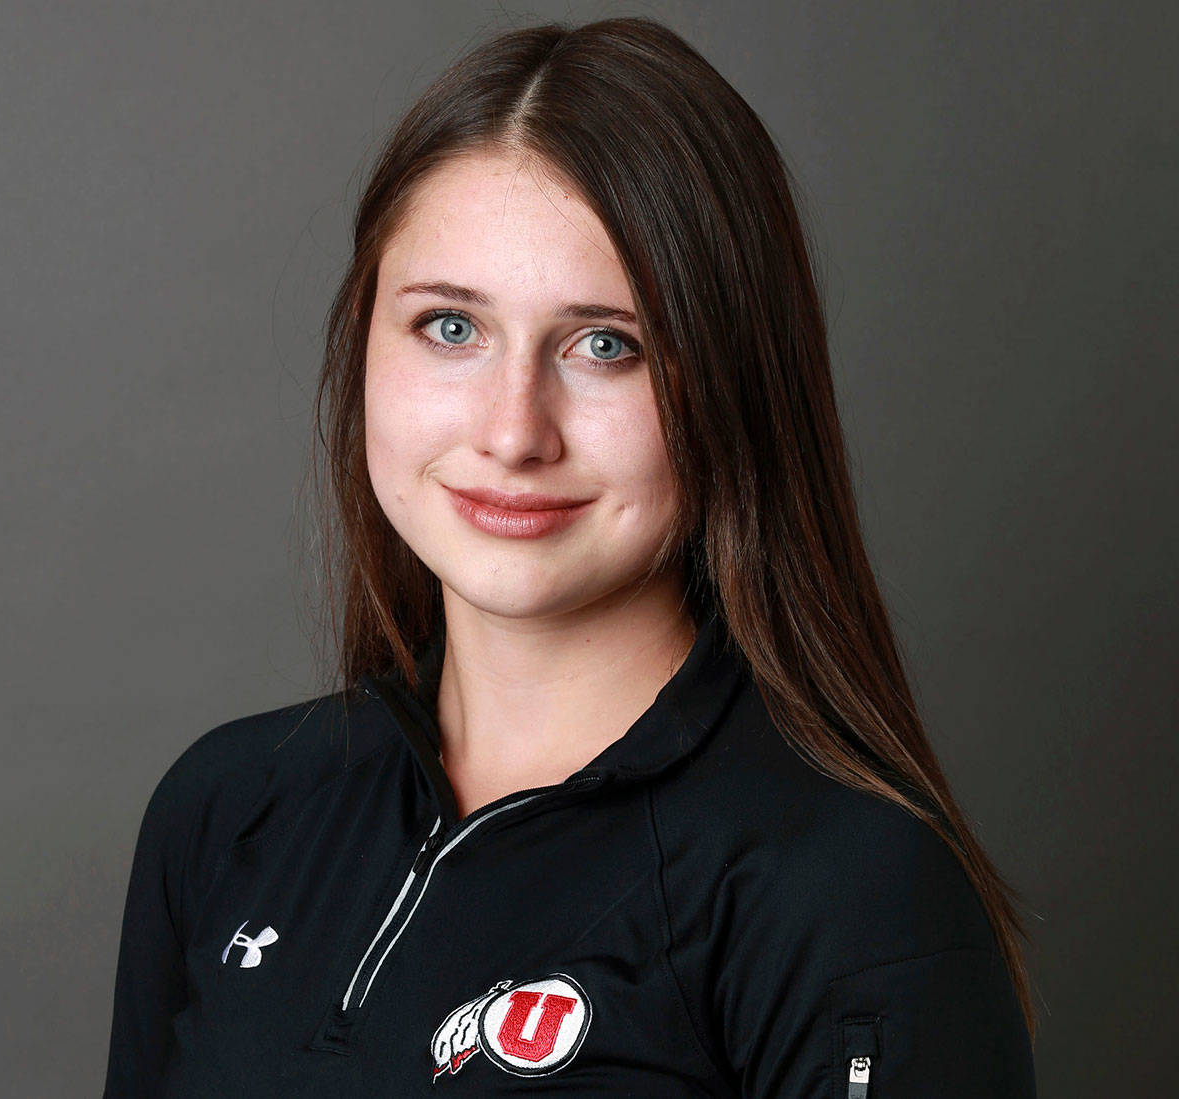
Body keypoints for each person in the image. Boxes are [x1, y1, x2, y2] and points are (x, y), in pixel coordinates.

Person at [103, 15, 1038, 1097]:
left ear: (732, 384)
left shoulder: (848, 891)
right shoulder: (228, 808)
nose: (512, 431)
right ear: (363, 338)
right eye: (450, 327)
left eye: (607, 344)